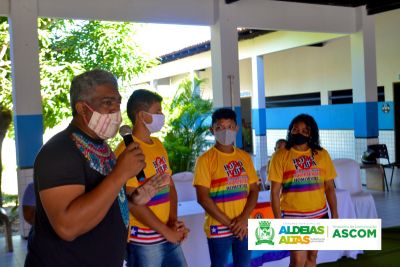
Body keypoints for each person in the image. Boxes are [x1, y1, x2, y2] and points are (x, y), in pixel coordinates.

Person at [25, 70, 167, 267]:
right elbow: (67, 226)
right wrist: (120, 174)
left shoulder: (102, 148)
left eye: (117, 102)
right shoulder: (58, 152)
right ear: (83, 109)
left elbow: (102, 200)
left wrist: (133, 200)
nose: (116, 110)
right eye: (107, 102)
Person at [114, 89, 188, 267]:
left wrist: (173, 222)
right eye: (157, 112)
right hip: (144, 240)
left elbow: (170, 187)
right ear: (141, 116)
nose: (162, 116)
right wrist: (166, 231)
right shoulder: (127, 150)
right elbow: (132, 203)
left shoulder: (158, 145)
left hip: (167, 233)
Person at [268, 114, 338, 267]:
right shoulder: (280, 156)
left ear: (311, 133)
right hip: (293, 217)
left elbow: (329, 188)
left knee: (312, 256)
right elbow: (274, 192)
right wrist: (278, 221)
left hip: (319, 215)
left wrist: (335, 214)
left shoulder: (322, 154)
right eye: (296, 129)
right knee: (298, 260)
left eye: (304, 130)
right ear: (290, 131)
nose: (299, 133)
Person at [193, 108, 259, 267]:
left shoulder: (245, 157)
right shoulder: (205, 160)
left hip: (244, 226)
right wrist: (232, 224)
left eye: (229, 127)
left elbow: (254, 190)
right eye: (220, 127)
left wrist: (243, 219)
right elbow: (203, 198)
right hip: (218, 228)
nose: (225, 131)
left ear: (236, 128)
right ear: (212, 130)